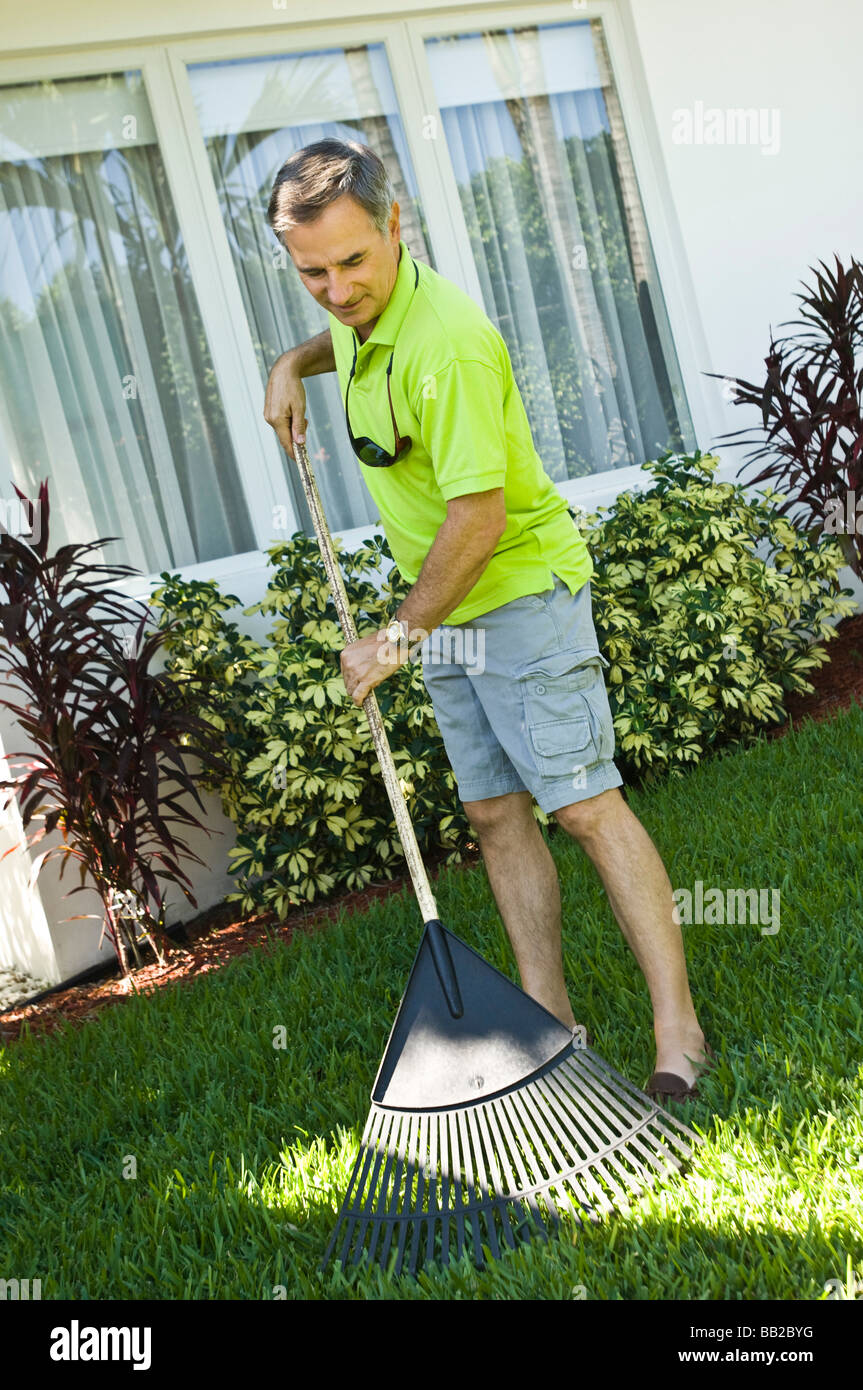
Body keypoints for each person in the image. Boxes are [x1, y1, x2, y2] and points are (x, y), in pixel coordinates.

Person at [263, 138, 712, 1101]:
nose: (336, 291)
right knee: (494, 813)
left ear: (396, 225)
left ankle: (678, 1029)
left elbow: (479, 520)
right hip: (445, 606)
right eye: (312, 272)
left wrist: (394, 639)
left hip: (512, 594)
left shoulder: (447, 346)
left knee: (583, 806)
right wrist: (289, 364)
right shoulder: (358, 311)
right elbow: (336, 334)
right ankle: (545, 1024)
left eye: (351, 263)